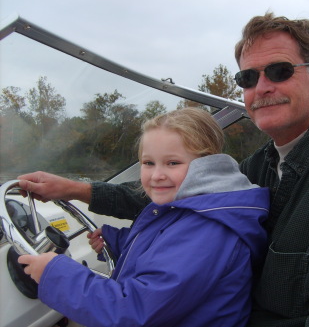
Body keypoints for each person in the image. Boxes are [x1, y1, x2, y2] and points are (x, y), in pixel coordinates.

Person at [18, 12, 309, 326]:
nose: (261, 87)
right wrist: (76, 189)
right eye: (248, 77)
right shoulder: (263, 165)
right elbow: (170, 192)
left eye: (280, 71)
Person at [18, 107, 269, 327]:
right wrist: (116, 241)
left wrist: (54, 274)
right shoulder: (189, 209)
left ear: (207, 165)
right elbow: (166, 249)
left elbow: (134, 311)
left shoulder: (209, 229)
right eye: (148, 163)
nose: (156, 175)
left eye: (172, 163)